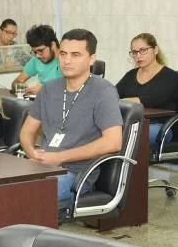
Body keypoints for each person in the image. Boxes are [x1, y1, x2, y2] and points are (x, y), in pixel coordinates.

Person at [19, 29, 122, 205]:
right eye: (63, 54)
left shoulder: (103, 91)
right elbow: (27, 131)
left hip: (75, 173)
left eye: (75, 55)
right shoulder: (49, 89)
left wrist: (60, 157)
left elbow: (113, 142)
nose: (67, 60)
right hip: (40, 166)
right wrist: (32, 153)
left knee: (23, 198)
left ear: (91, 59)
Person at [116, 33, 178, 146]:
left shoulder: (171, 76)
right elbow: (113, 95)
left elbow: (152, 99)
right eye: (134, 52)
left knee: (128, 134)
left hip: (161, 126)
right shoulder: (130, 75)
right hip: (133, 122)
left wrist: (124, 101)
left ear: (155, 50)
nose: (138, 56)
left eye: (143, 50)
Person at [12, 24, 61, 95]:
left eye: (41, 50)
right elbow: (17, 81)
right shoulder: (36, 60)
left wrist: (44, 90)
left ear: (53, 45)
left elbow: (72, 87)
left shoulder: (66, 60)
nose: (38, 55)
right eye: (35, 52)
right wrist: (23, 89)